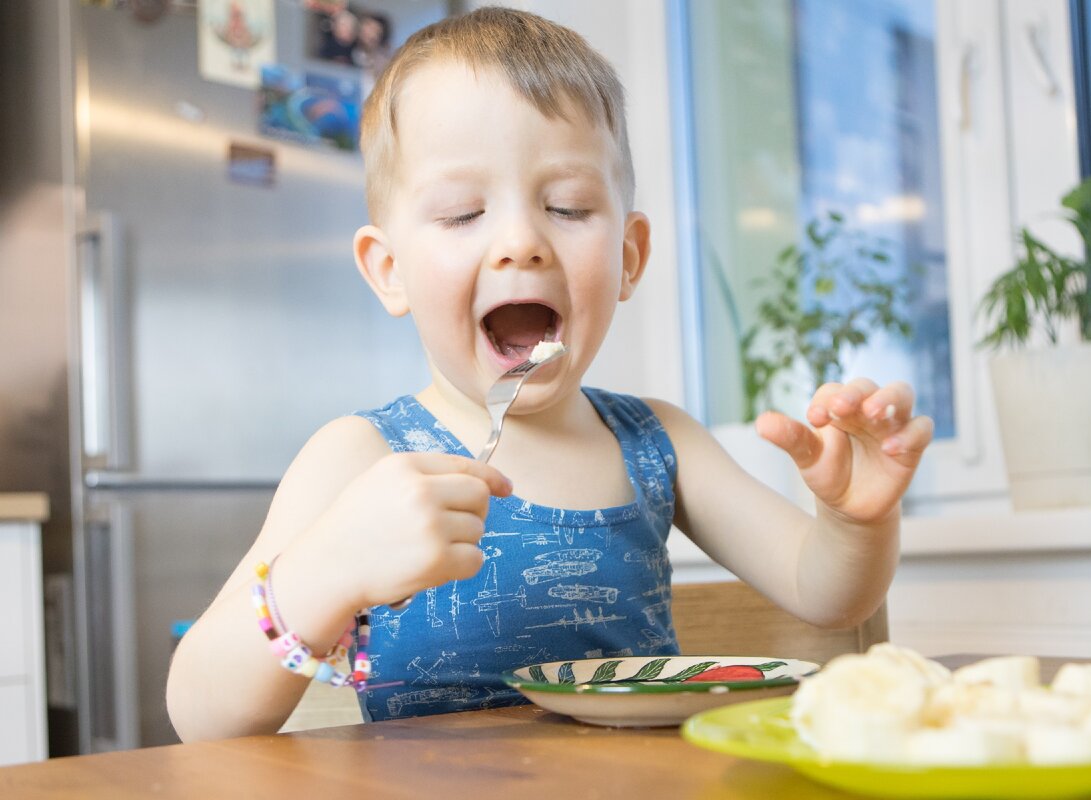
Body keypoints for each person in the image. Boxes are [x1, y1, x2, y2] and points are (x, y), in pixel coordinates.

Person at [166, 7, 933, 742]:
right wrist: (324, 572)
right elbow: (200, 713)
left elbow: (828, 595)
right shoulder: (362, 458)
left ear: (629, 258)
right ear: (389, 270)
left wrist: (856, 522)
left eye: (567, 207)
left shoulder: (659, 441)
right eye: (464, 213)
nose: (520, 242)